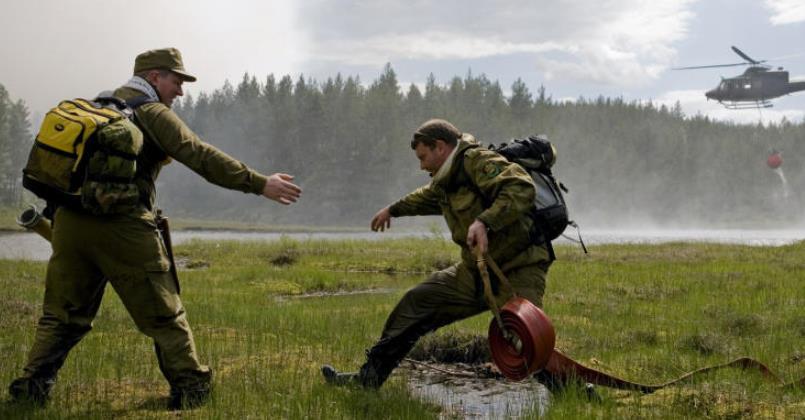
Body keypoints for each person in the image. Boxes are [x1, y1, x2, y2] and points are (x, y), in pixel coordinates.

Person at [8, 47, 302, 409]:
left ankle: (31, 388)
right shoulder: (150, 111)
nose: (180, 90)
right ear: (153, 77)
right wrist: (259, 183)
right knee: (165, 313)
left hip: (68, 223)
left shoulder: (99, 105)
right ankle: (191, 389)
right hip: (122, 228)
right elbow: (198, 154)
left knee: (62, 315)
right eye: (176, 81)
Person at [322, 118, 552, 388]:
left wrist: (484, 222)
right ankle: (368, 379)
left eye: (423, 156)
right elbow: (425, 197)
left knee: (528, 340)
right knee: (415, 304)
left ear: (440, 147)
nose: (421, 165)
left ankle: (575, 391)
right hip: (473, 271)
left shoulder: (477, 161)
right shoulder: (445, 180)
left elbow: (521, 187)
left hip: (517, 268)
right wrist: (392, 210)